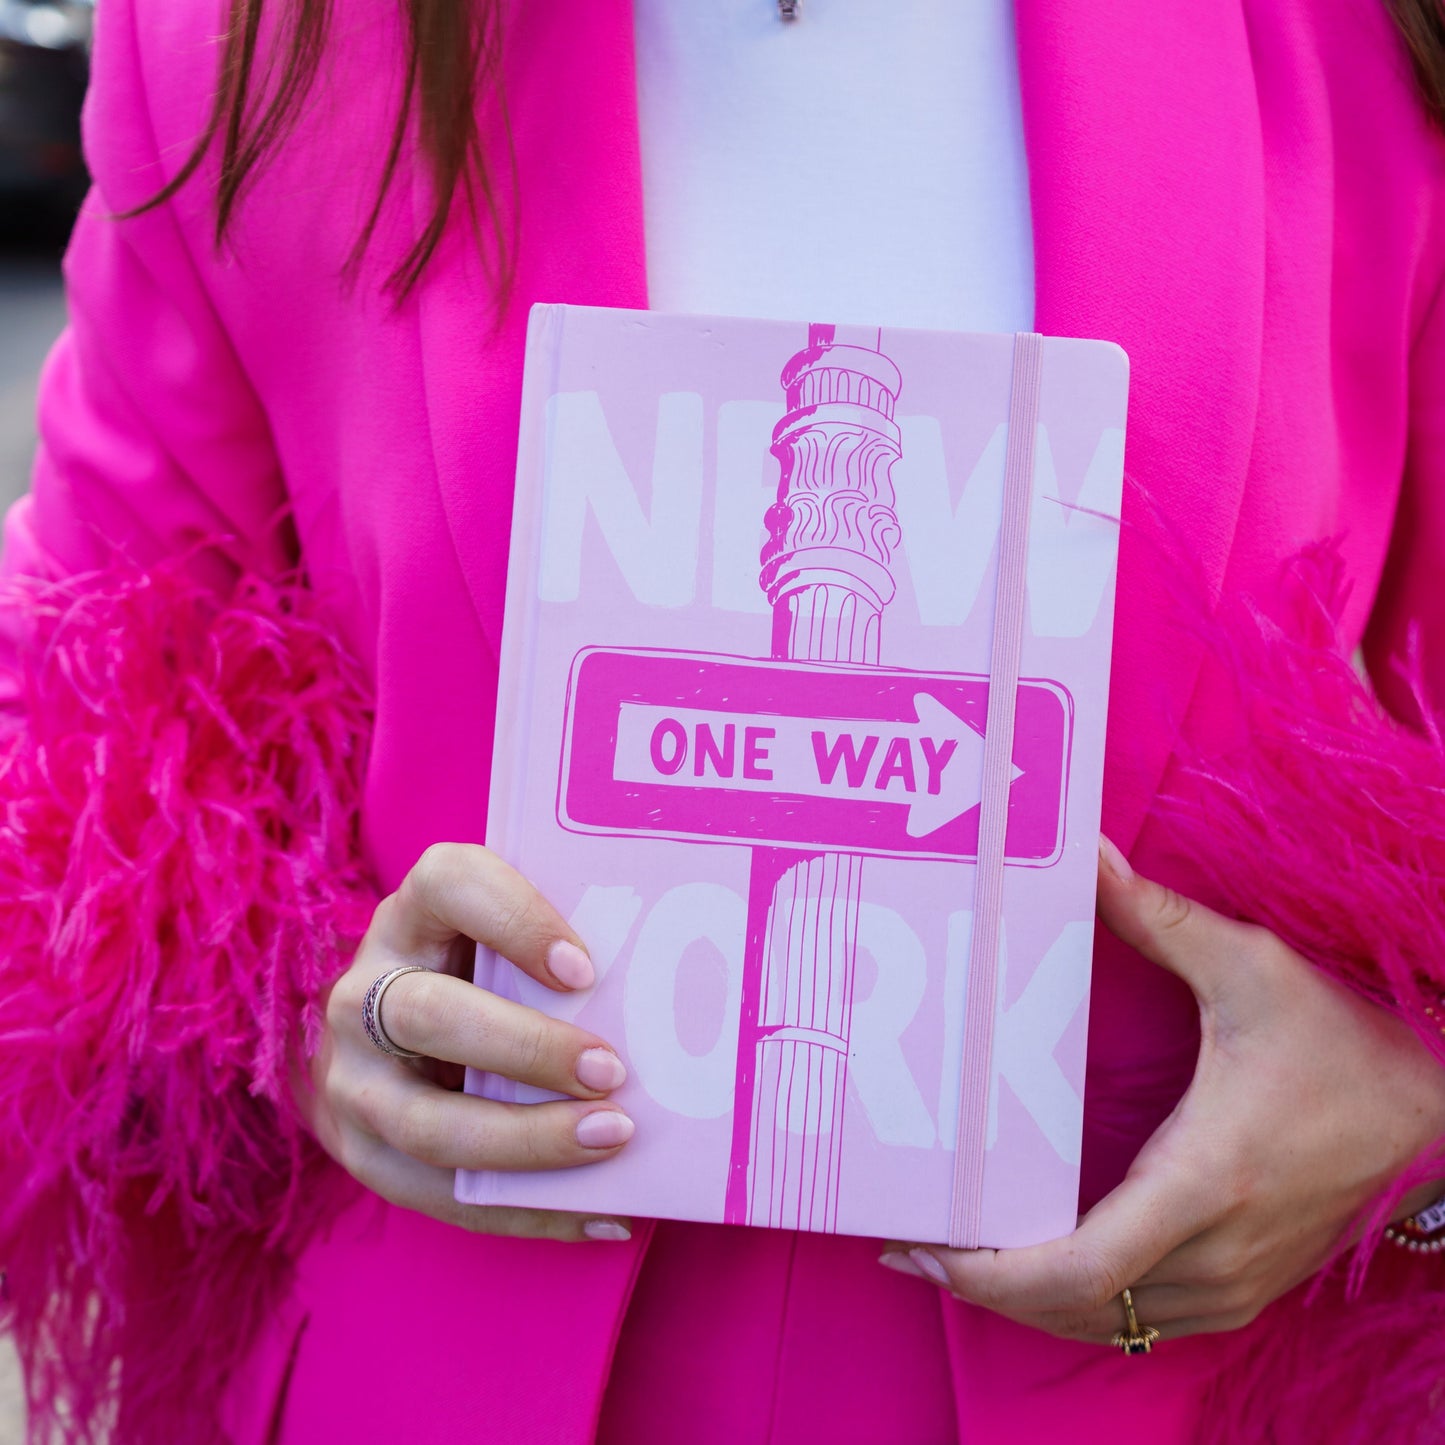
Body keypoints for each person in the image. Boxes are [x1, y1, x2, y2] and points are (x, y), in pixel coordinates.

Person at [3, 1, 1445, 1442]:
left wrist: (1413, 1108)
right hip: (449, 1369)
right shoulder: (255, 44)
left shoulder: (1369, 42)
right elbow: (73, 745)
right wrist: (298, 1017)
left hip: (1172, 1391)